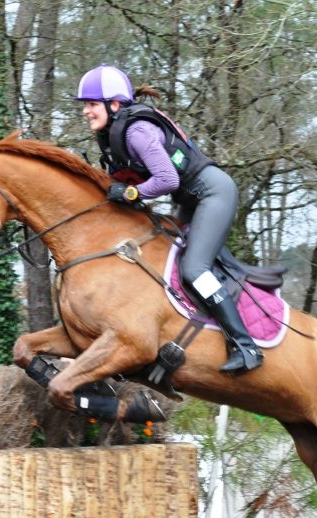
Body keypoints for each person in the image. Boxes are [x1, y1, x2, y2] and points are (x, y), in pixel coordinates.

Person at [76, 64, 263, 375]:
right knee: (166, 259)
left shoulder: (136, 131)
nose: (85, 111)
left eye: (92, 104)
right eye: (85, 105)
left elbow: (167, 179)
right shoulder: (112, 136)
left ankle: (247, 346)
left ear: (115, 104)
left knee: (193, 268)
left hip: (213, 195)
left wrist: (131, 194)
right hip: (193, 200)